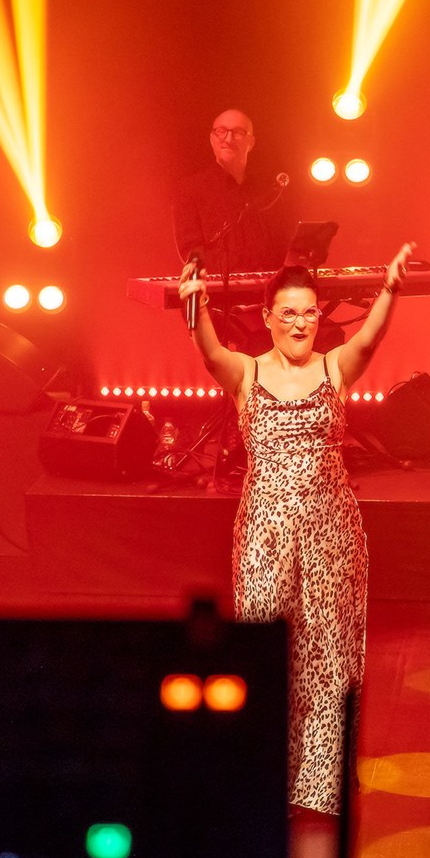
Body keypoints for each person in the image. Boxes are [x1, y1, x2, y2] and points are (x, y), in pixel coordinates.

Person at [177, 241, 414, 815]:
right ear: (267, 317)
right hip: (265, 531)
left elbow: (370, 339)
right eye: (288, 313)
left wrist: (389, 289)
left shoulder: (335, 367)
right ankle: (263, 772)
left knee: (329, 648)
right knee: (265, 640)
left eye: (309, 312)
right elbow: (209, 352)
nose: (301, 323)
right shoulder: (247, 371)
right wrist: (195, 305)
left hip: (332, 529)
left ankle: (321, 783)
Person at [171, 107, 293, 276]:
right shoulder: (189, 189)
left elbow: (282, 244)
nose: (228, 139)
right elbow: (191, 250)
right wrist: (234, 278)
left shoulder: (267, 190)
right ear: (212, 139)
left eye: (238, 133)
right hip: (216, 289)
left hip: (267, 288)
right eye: (221, 131)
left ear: (251, 143)